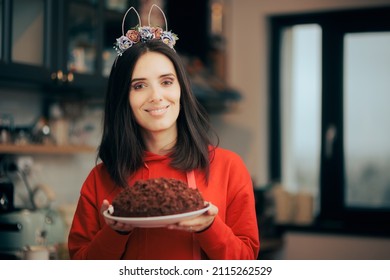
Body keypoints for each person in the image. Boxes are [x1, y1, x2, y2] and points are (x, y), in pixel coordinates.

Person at [68, 5, 259, 260]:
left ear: (182, 89)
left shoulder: (228, 168)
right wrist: (114, 232)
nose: (156, 96)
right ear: (123, 98)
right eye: (139, 86)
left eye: (166, 81)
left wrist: (209, 227)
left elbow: (245, 263)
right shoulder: (99, 179)